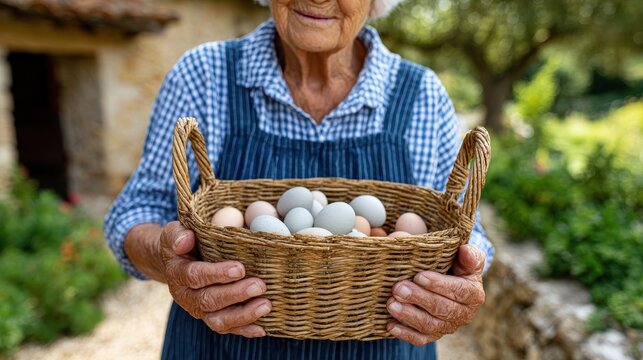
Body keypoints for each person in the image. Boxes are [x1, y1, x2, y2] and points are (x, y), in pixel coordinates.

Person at [104, 0, 495, 359]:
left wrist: (461, 282)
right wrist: (169, 260)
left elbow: (463, 232)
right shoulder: (204, 75)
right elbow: (138, 210)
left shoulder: (422, 96)